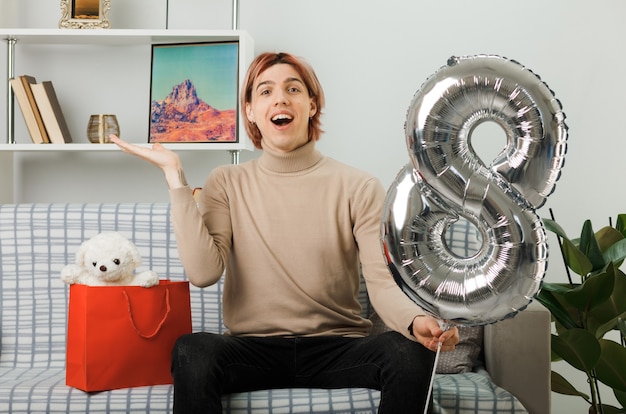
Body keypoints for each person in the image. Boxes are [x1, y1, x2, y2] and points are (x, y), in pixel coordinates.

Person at [111, 51, 459, 413]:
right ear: (249, 111)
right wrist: (176, 178)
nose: (280, 98)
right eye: (265, 91)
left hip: (338, 348)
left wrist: (416, 320)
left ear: (311, 104)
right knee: (191, 350)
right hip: (251, 350)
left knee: (408, 353)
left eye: (293, 89)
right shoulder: (226, 182)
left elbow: (381, 283)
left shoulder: (359, 185)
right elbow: (203, 273)